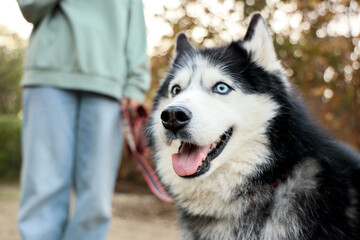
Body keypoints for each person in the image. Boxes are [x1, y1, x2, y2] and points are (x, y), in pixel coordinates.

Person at [16, 0, 150, 239]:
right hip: (48, 76)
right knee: (42, 187)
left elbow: (136, 28)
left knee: (96, 197)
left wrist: (136, 84)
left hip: (110, 86)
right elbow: (30, 6)